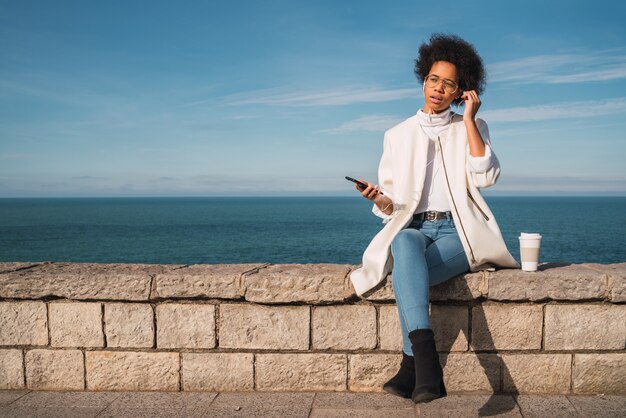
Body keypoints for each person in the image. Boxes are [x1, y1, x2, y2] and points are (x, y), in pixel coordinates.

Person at [350, 33, 518, 403]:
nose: (438, 89)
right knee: (404, 242)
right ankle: (426, 368)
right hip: (414, 228)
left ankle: (415, 367)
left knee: (404, 274)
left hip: (459, 232)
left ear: (462, 91)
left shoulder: (470, 126)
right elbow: (394, 208)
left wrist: (471, 119)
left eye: (449, 84)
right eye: (433, 79)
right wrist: (379, 199)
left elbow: (486, 175)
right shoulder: (397, 135)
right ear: (423, 79)